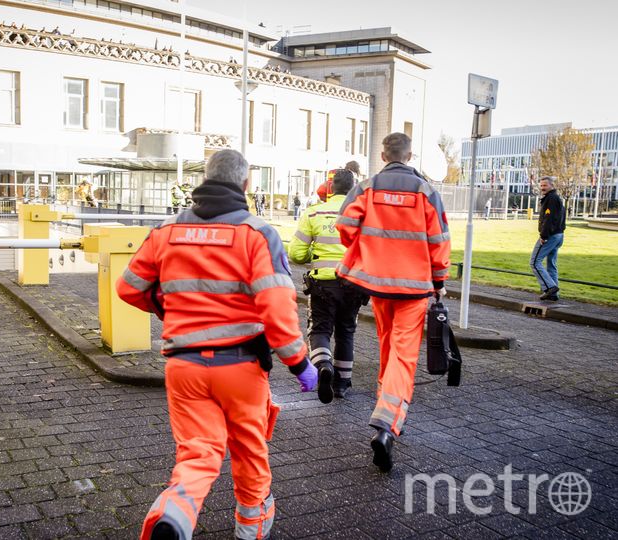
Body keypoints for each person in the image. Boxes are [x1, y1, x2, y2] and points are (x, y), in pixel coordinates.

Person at [117, 149, 317, 540]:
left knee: (198, 451)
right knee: (248, 449)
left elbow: (129, 287)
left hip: (184, 366)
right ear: (245, 184)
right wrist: (298, 363)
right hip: (240, 367)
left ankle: (174, 515)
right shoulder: (258, 234)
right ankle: (250, 527)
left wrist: (165, 307)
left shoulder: (165, 231)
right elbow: (277, 306)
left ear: (204, 178)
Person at [335, 132, 450, 472]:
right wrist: (439, 281)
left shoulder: (367, 187)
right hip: (414, 288)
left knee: (388, 347)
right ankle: (387, 422)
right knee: (403, 355)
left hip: (378, 285)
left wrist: (371, 250)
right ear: (410, 155)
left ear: (383, 154)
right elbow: (439, 241)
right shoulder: (427, 191)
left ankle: (386, 406)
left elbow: (344, 227)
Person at [289, 170, 365, 402]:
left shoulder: (313, 213)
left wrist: (314, 252)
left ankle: (323, 365)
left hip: (322, 284)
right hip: (353, 283)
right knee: (346, 332)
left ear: (330, 188)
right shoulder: (364, 216)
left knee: (321, 329)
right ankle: (341, 384)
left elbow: (296, 254)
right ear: (354, 189)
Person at [530, 176, 566, 301]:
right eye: (541, 186)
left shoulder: (551, 198)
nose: (542, 188)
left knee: (534, 262)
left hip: (550, 236)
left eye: (545, 185)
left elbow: (548, 219)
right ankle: (554, 295)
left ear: (551, 186)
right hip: (559, 235)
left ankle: (550, 288)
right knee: (551, 264)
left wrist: (544, 236)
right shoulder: (557, 198)